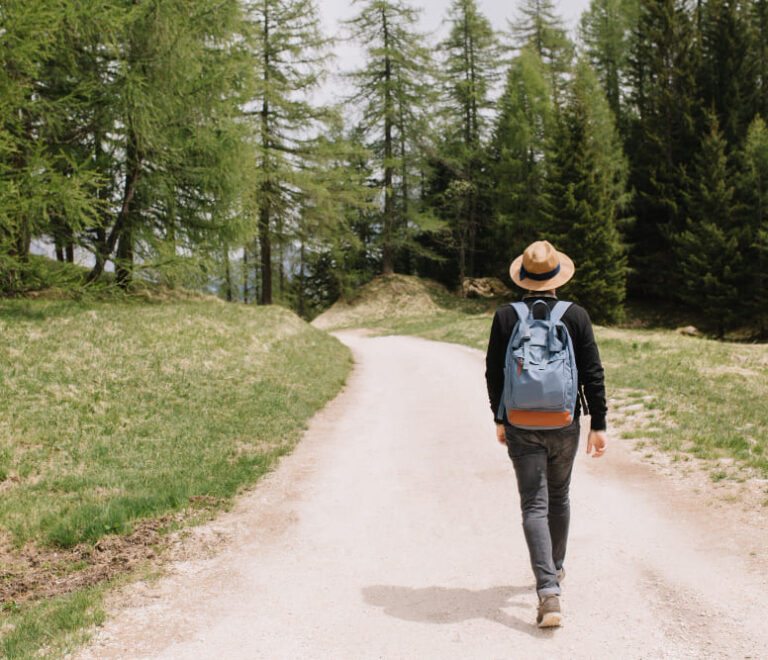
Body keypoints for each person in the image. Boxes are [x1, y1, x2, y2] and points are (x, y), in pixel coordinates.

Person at [484, 240, 607, 628]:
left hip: (521, 422)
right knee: (559, 496)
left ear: (524, 277)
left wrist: (499, 419)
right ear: (557, 277)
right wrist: (598, 424)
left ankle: (548, 593)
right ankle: (555, 569)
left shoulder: (506, 316)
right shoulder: (577, 316)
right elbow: (593, 373)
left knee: (533, 504)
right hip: (564, 422)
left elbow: (493, 373)